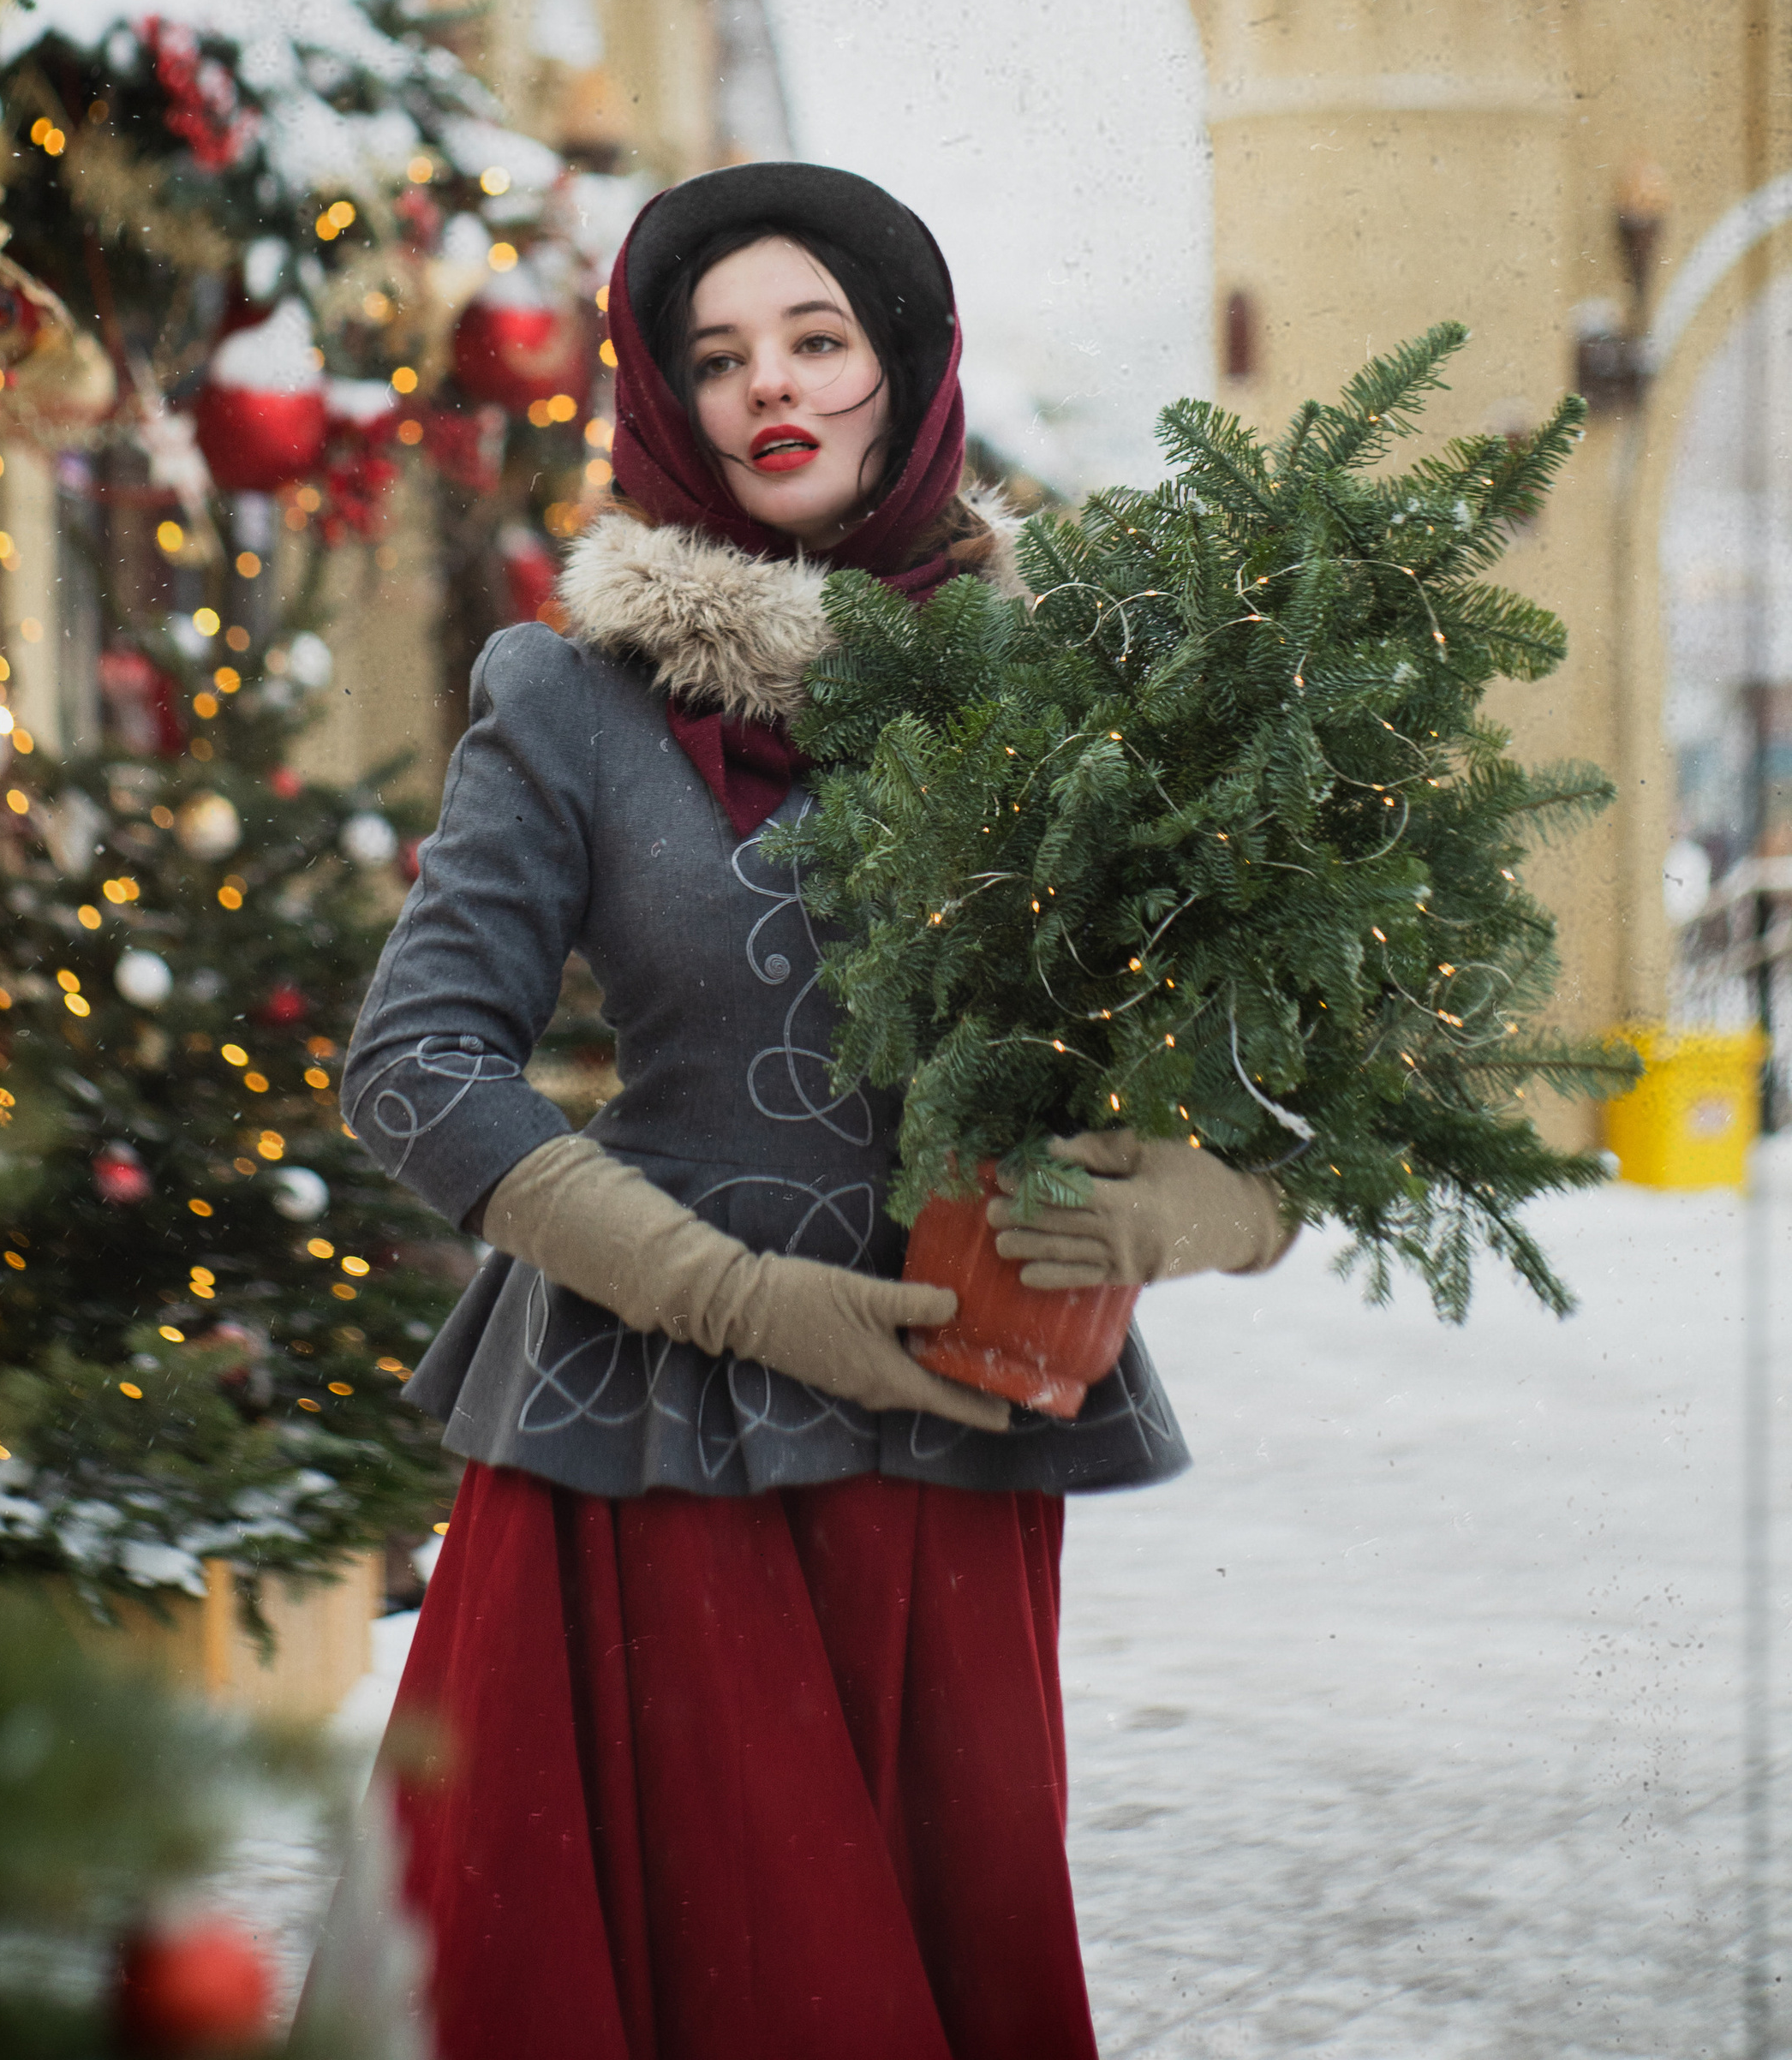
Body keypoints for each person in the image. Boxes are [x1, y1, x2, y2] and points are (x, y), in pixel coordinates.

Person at [340, 162, 1290, 2060]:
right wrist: (737, 1298)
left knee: (920, 1962)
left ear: (907, 370)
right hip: (650, 1440)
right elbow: (415, 1064)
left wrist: (1201, 1203)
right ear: (662, 400)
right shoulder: (571, 696)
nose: (766, 384)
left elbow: (1273, 1060)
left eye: (816, 339)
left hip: (960, 1414)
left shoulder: (1076, 696)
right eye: (714, 356)